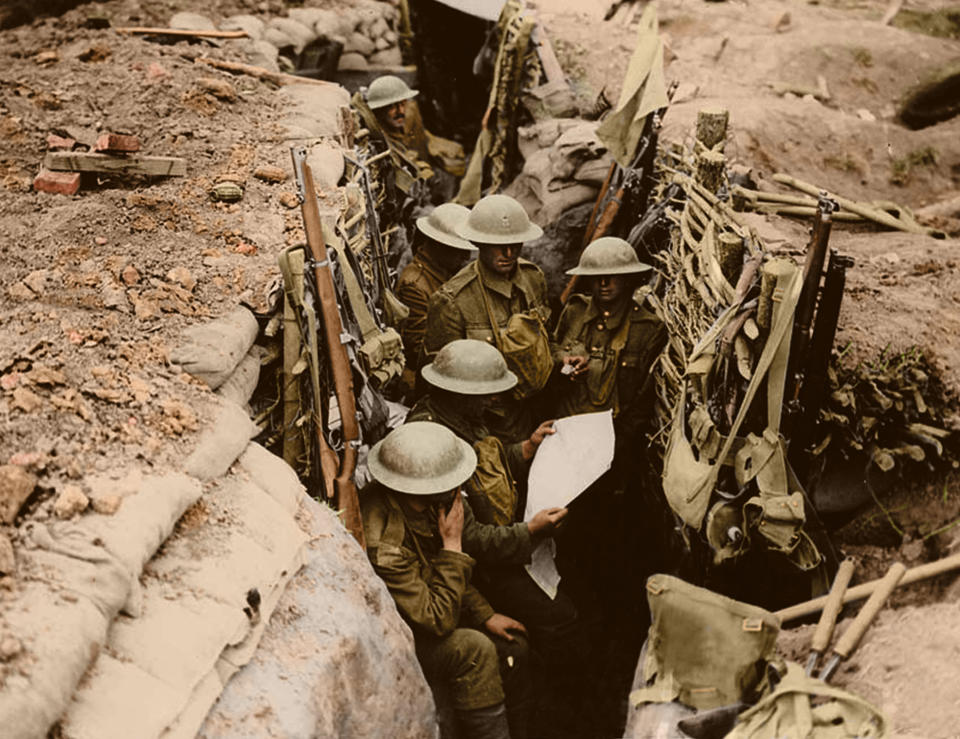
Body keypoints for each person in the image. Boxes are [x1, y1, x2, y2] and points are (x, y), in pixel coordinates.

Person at [408, 338, 586, 737]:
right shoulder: (431, 441)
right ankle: (561, 713)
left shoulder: (463, 417)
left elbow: (485, 462)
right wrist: (530, 533)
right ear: (458, 392)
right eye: (485, 395)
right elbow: (466, 540)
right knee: (562, 621)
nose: (493, 402)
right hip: (481, 567)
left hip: (505, 540)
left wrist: (523, 449)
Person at [361, 421, 567, 739]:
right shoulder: (385, 542)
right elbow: (436, 619)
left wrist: (484, 614)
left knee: (516, 647)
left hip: (429, 607)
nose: (458, 489)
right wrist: (453, 546)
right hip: (401, 634)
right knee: (474, 649)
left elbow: (433, 570)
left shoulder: (426, 500)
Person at [550, 236, 669, 734]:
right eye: (596, 278)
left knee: (611, 555)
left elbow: (645, 403)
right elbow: (553, 360)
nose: (603, 287)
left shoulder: (648, 330)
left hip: (616, 463)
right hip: (571, 450)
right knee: (568, 548)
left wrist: (625, 464)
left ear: (630, 281)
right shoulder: (573, 316)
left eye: (613, 279)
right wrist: (563, 365)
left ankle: (607, 650)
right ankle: (573, 648)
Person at [423, 194, 551, 444]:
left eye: (516, 243)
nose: (508, 252)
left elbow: (548, 340)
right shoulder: (452, 301)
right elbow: (439, 385)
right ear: (478, 242)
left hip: (534, 411)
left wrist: (563, 360)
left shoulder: (533, 279)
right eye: (497, 244)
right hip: (484, 428)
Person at [395, 203, 476, 398]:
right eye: (458, 250)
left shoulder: (441, 273)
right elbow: (417, 347)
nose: (465, 257)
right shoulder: (415, 285)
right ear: (439, 245)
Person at [351, 75, 465, 204]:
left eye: (403, 103)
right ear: (379, 110)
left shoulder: (411, 113)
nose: (401, 111)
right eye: (392, 107)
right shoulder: (377, 135)